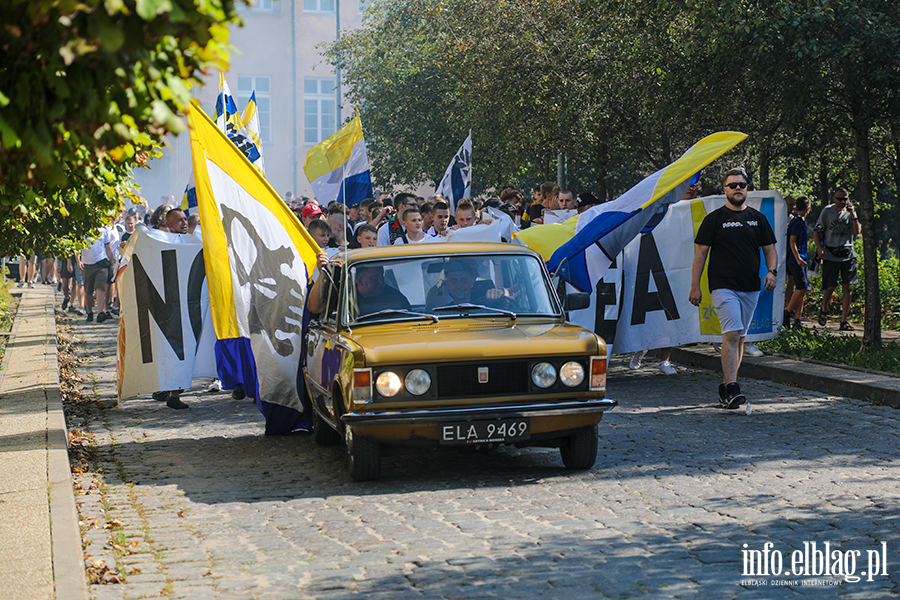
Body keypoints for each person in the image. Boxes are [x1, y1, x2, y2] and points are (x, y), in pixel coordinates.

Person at [689, 168, 777, 409]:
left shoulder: (758, 219)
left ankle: (727, 386)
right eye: (732, 185)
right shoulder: (714, 219)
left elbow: (770, 251)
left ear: (747, 188)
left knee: (740, 337)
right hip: (722, 285)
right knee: (732, 332)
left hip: (750, 287)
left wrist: (772, 271)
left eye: (742, 184)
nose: (738, 188)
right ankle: (733, 388)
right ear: (725, 190)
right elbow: (701, 254)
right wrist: (695, 287)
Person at [814, 187, 860, 331]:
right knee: (830, 287)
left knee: (848, 286)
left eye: (845, 199)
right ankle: (824, 309)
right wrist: (819, 248)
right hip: (831, 253)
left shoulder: (851, 212)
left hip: (848, 254)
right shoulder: (827, 211)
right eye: (839, 199)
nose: (842, 202)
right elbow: (817, 230)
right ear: (833, 198)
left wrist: (853, 214)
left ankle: (844, 321)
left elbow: (857, 231)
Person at [424, 260, 512, 310]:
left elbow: (509, 304)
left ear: (472, 282)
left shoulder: (488, 306)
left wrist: (503, 293)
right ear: (447, 285)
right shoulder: (440, 313)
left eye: (464, 280)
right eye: (454, 281)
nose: (459, 286)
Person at [77, 226, 116, 323]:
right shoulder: (83, 230)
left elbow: (108, 248)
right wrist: (78, 260)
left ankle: (100, 313)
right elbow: (77, 247)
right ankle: (90, 312)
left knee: (101, 287)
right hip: (87, 264)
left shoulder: (104, 230)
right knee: (88, 291)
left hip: (101, 263)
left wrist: (112, 262)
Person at [785, 196, 811, 328]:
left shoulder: (798, 220)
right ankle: (787, 312)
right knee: (802, 287)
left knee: (802, 288)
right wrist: (798, 258)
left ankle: (797, 320)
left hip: (800, 259)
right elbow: (792, 241)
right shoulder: (798, 221)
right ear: (808, 208)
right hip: (796, 260)